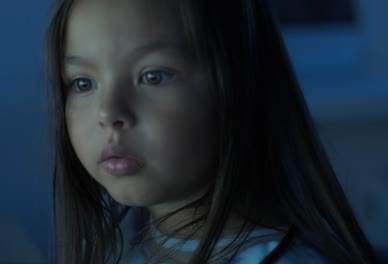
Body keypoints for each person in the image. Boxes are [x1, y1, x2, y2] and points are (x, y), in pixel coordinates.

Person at [45, 0, 378, 263]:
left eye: (153, 76)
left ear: (239, 86)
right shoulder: (117, 251)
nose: (108, 113)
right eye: (83, 83)